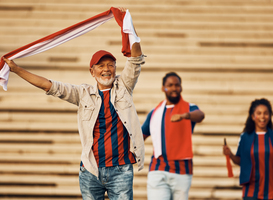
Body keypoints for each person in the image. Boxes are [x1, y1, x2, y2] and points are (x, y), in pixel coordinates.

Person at [2, 7, 145, 200]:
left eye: (110, 64)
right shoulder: (82, 93)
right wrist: (16, 69)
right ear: (92, 71)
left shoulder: (124, 86)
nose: (106, 69)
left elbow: (135, 59)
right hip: (90, 171)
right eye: (101, 65)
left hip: (120, 170)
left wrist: (127, 24)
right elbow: (49, 86)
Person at [141, 72, 205, 200]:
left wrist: (185, 116)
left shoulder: (190, 108)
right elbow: (141, 136)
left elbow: (200, 115)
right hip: (158, 168)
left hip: (182, 170)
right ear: (163, 88)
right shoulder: (155, 113)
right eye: (169, 85)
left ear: (181, 87)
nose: (174, 88)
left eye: (177, 85)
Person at [223, 98, 273, 200]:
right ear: (253, 117)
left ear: (270, 116)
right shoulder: (245, 137)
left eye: (265, 113)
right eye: (258, 113)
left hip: (271, 190)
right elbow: (241, 161)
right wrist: (230, 155)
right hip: (251, 190)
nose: (262, 116)